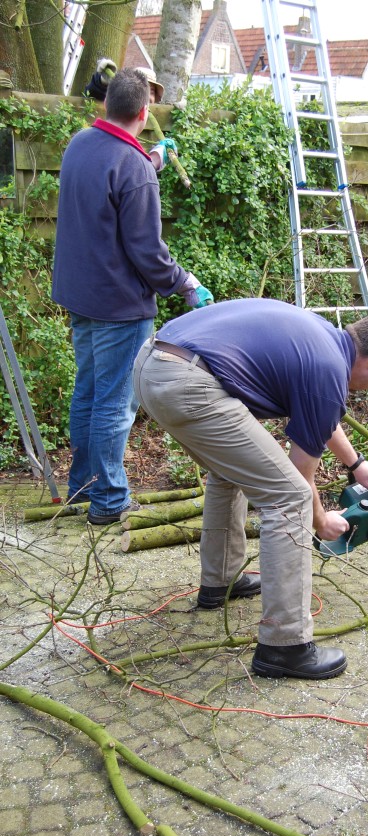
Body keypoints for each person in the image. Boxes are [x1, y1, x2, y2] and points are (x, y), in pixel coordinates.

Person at [133, 299, 368, 680]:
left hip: (153, 366)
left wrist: (355, 463)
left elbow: (321, 413)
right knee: (290, 498)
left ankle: (221, 581)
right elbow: (299, 479)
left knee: (231, 471)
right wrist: (321, 522)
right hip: (186, 382)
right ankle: (285, 646)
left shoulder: (321, 340)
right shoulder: (329, 369)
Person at [52, 68, 212, 525]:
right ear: (144, 113)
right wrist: (185, 283)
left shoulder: (80, 144)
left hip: (80, 296)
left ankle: (83, 487)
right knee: (115, 403)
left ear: (107, 104)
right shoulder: (133, 168)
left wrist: (151, 160)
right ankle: (109, 501)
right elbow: (148, 252)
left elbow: (111, 182)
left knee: (88, 391)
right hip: (118, 305)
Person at [84, 60, 173, 173]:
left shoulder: (77, 142)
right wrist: (101, 82)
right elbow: (132, 172)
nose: (145, 97)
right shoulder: (115, 145)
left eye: (150, 92)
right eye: (140, 91)